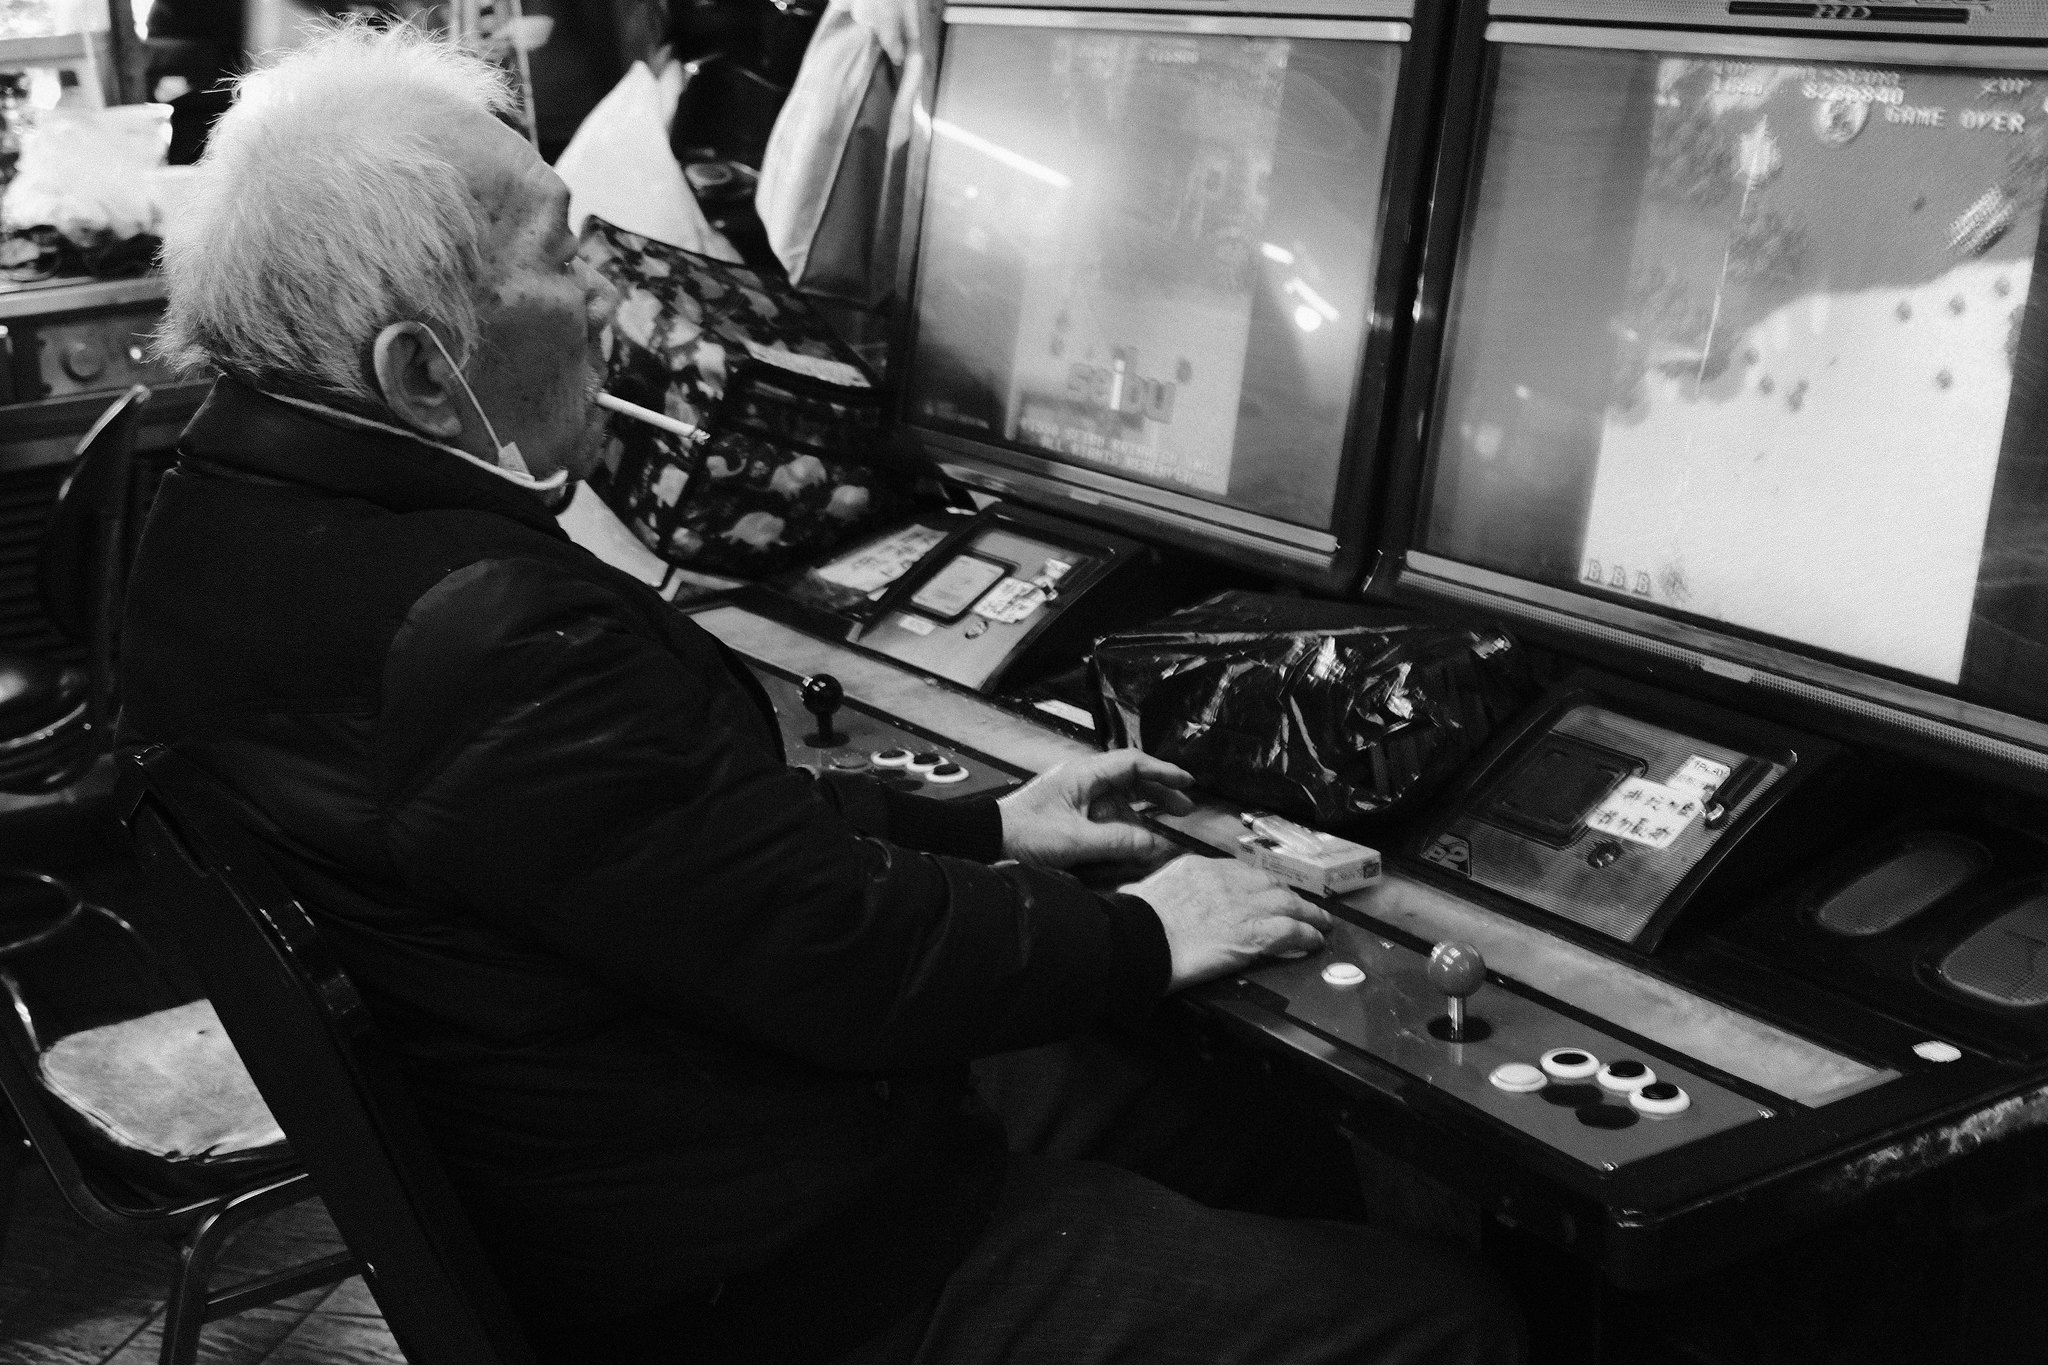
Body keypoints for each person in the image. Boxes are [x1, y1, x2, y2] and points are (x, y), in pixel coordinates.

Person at [123, 21, 1524, 1365]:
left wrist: (986, 830)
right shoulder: (484, 634)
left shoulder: (205, 517)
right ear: (424, 371)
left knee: (1218, 1113)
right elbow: (831, 953)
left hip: (628, 1179)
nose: (610, 298)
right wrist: (1149, 933)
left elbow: (658, 850)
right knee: (1449, 1313)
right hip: (792, 1281)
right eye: (563, 259)